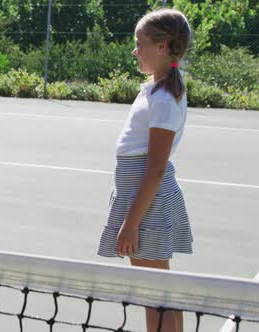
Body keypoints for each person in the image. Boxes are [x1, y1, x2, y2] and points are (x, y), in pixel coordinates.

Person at [97, 8, 193, 332]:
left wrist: (130, 223)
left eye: (140, 44)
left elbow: (155, 170)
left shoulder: (165, 98)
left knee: (154, 295)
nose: (135, 50)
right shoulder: (157, 88)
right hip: (143, 202)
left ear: (163, 46)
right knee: (160, 292)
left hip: (146, 206)